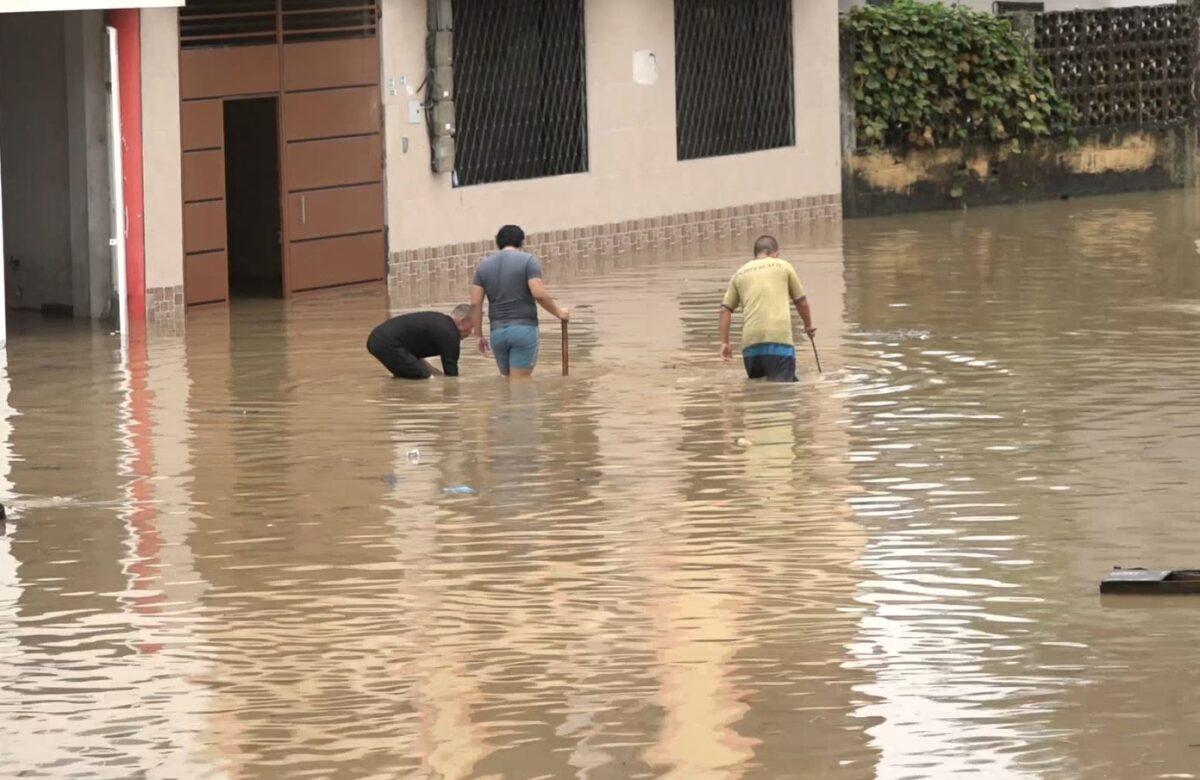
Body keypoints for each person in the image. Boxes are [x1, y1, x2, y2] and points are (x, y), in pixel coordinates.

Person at [470, 224, 569, 377]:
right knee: (520, 385)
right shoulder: (528, 261)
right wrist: (559, 313)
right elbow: (539, 294)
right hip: (524, 330)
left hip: (497, 333)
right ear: (521, 241)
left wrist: (478, 335)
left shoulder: (483, 267)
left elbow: (475, 303)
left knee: (507, 381)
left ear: (498, 242)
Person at [718, 235, 816, 382]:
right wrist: (808, 326)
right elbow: (801, 302)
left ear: (756, 254)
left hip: (750, 348)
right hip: (779, 341)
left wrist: (724, 343)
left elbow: (725, 310)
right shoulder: (783, 266)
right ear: (775, 253)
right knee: (784, 392)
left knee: (758, 391)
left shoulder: (739, 274)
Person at [367, 304, 472, 379]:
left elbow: (416, 357)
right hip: (387, 343)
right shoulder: (451, 333)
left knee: (428, 374)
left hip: (378, 339)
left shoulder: (442, 323)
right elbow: (452, 377)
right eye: (472, 326)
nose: (471, 332)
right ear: (462, 322)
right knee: (424, 377)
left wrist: (437, 375)